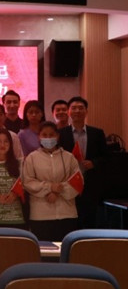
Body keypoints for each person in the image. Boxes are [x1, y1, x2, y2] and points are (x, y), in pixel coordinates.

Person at [23, 121, 80, 241]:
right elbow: (28, 182)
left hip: (67, 213)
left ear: (57, 136)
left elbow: (78, 182)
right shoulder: (32, 158)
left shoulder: (69, 157)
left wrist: (58, 191)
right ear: (39, 137)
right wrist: (49, 187)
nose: (48, 138)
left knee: (66, 249)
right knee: (43, 250)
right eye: (44, 135)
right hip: (41, 215)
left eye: (51, 134)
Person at [59, 96, 107, 228]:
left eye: (81, 108)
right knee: (70, 221)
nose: (77, 111)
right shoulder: (61, 133)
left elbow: (106, 157)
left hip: (90, 184)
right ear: (69, 112)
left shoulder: (97, 133)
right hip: (68, 183)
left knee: (89, 220)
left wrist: (94, 163)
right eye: (74, 108)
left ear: (86, 111)